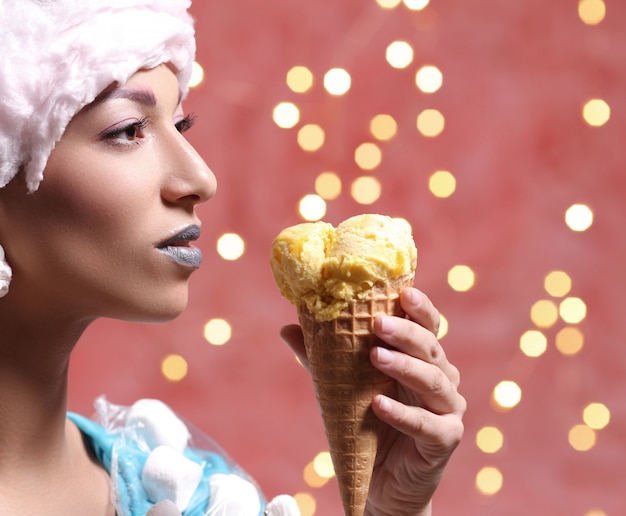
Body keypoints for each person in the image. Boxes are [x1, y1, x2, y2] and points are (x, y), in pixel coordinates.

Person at [0, 1, 466, 515]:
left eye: (181, 125)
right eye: (129, 129)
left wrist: (391, 510)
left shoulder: (191, 492)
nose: (201, 179)